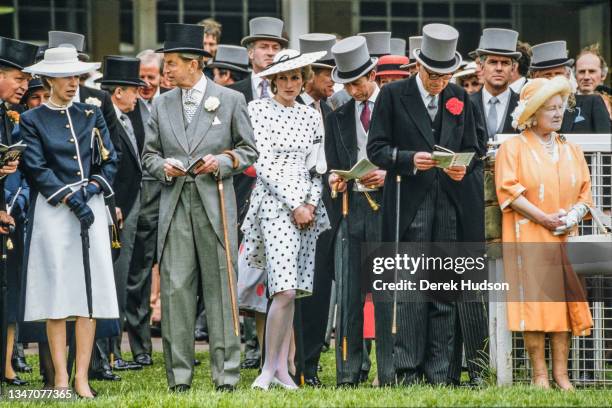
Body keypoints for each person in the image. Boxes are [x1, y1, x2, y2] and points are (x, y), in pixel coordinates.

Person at [142, 23, 258, 392]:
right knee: (175, 290)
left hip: (216, 203)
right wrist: (163, 167)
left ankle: (226, 374)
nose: (167, 71)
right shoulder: (160, 104)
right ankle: (179, 377)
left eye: (172, 63)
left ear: (195, 64)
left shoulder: (230, 100)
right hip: (175, 204)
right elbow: (148, 155)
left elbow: (248, 150)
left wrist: (222, 163)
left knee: (221, 289)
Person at [367, 23, 479, 385]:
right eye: (433, 75)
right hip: (409, 200)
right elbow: (377, 149)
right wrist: (408, 159)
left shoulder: (461, 97)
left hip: (449, 202)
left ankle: (442, 372)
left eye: (446, 76)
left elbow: (477, 148)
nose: (439, 83)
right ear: (418, 66)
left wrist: (464, 166)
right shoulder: (392, 95)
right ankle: (406, 371)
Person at [20, 46, 119, 398]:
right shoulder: (32, 120)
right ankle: (61, 377)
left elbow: (111, 158)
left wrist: (93, 187)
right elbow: (35, 166)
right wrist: (68, 197)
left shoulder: (91, 113)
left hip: (89, 207)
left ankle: (82, 378)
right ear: (49, 80)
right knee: (58, 292)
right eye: (66, 77)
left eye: (76, 76)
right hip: (54, 211)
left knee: (89, 295)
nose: (73, 83)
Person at [495, 75, 594, 390]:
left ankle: (561, 375)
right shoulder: (513, 148)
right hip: (529, 236)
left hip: (564, 237)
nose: (557, 113)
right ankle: (540, 375)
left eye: (560, 107)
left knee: (563, 306)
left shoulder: (571, 149)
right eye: (549, 108)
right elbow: (509, 192)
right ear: (532, 113)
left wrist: (572, 216)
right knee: (534, 305)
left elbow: (585, 194)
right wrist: (545, 219)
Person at [242, 48, 330, 391]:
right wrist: (294, 203)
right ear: (272, 81)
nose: (290, 84)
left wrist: (309, 203)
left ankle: (281, 368)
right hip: (274, 203)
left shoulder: (310, 116)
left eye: (296, 77)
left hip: (307, 208)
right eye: (284, 78)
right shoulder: (258, 110)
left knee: (292, 290)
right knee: (284, 288)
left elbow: (317, 165)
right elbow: (262, 163)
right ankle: (267, 367)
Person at [325, 36, 394, 387]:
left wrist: (388, 174)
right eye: (347, 84)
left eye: (358, 82)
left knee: (387, 293)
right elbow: (332, 164)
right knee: (350, 295)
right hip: (351, 210)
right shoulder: (336, 115)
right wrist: (336, 177)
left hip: (388, 208)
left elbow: (411, 157)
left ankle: (390, 371)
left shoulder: (395, 106)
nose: (354, 90)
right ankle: (349, 372)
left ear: (373, 75)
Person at [229, 16, 287, 370]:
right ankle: (248, 343)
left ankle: (271, 348)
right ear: (250, 53)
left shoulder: (290, 89)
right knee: (246, 271)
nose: (270, 52)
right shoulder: (235, 91)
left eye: (275, 47)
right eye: (264, 47)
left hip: (281, 196)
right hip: (243, 190)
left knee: (276, 274)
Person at [96, 56, 146, 372]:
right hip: (117, 211)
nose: (138, 97)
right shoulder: (106, 119)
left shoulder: (126, 119)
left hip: (128, 211)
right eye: (134, 90)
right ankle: (107, 354)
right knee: (112, 282)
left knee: (121, 281)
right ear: (118, 92)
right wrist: (116, 208)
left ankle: (113, 352)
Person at [295, 32, 337, 387]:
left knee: (320, 290)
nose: (333, 80)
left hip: (329, 213)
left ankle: (310, 363)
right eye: (327, 72)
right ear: (309, 73)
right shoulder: (290, 109)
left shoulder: (335, 108)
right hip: (294, 212)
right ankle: (286, 362)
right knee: (292, 292)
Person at [0, 36, 38, 387]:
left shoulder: (7, 114)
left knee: (9, 289)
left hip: (10, 213)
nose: (24, 88)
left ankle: (7, 364)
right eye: (19, 79)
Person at [124, 49, 164, 367]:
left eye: (152, 76)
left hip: (170, 196)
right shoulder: (127, 109)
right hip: (139, 199)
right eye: (142, 77)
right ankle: (140, 346)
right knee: (137, 273)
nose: (146, 83)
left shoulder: (169, 104)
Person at [529, 41, 611, 134]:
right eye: (547, 74)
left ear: (567, 75)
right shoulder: (525, 108)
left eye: (558, 74)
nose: (553, 79)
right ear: (535, 77)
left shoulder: (592, 102)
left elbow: (605, 143)